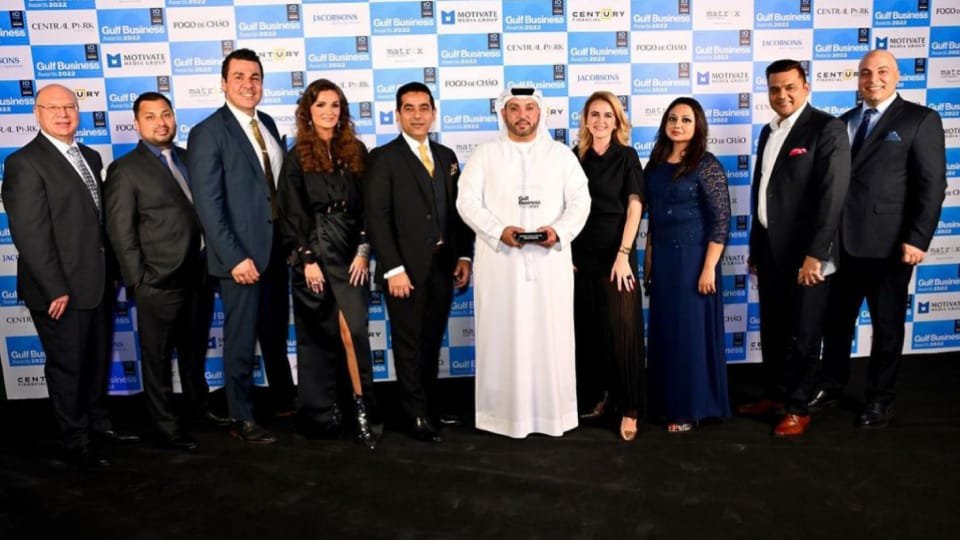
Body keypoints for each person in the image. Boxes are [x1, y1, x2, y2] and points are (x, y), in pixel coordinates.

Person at [2, 84, 139, 467]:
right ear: (37, 113)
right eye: (53, 108)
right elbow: (30, 233)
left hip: (96, 282)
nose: (63, 114)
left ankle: (98, 424)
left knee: (95, 361)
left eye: (69, 107)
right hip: (59, 290)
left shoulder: (90, 156)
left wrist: (113, 273)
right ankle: (74, 438)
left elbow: (97, 224)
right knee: (68, 366)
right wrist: (54, 288)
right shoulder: (24, 163)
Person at [815, 49, 946, 428]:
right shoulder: (843, 122)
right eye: (866, 72)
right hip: (841, 245)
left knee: (887, 327)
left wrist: (918, 238)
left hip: (889, 246)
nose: (873, 79)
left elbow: (932, 185)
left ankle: (879, 400)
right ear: (858, 78)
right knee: (836, 323)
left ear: (898, 76)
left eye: (882, 71)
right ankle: (832, 384)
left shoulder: (920, 119)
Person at [456, 87, 591, 438]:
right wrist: (497, 230)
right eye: (514, 108)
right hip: (501, 265)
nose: (522, 115)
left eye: (529, 108)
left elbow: (581, 201)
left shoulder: (561, 156)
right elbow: (466, 202)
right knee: (503, 337)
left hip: (549, 266)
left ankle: (553, 416)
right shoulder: (485, 155)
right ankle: (500, 417)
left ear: (539, 113)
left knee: (551, 338)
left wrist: (558, 232)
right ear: (503, 114)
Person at [104, 92, 230, 451]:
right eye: (150, 117)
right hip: (157, 281)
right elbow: (120, 231)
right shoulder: (125, 169)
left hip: (199, 275)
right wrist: (138, 280)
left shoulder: (190, 158)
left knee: (193, 351)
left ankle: (199, 408)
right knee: (157, 358)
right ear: (137, 124)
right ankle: (165, 425)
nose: (161, 122)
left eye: (166, 114)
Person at [187, 49, 294, 444]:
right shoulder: (208, 132)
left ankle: (281, 401)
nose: (248, 85)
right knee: (241, 339)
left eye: (255, 77)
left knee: (273, 332)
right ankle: (241, 417)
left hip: (274, 252)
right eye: (239, 77)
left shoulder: (266, 123)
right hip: (240, 258)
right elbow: (208, 205)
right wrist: (234, 257)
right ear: (223, 83)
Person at [740, 60, 851, 436]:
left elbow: (831, 197)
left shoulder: (827, 128)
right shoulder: (768, 131)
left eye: (790, 87)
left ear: (805, 87)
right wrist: (756, 247)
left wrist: (816, 254)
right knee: (773, 329)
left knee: (805, 332)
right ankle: (776, 395)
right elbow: (763, 192)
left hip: (808, 256)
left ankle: (798, 407)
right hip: (770, 251)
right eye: (774, 88)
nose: (782, 95)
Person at [365, 82, 474, 443]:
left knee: (431, 340)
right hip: (404, 272)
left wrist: (463, 254)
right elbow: (377, 218)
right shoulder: (383, 158)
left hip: (442, 266)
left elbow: (458, 212)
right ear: (397, 115)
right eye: (408, 108)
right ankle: (413, 414)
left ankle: (426, 406)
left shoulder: (446, 156)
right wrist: (393, 268)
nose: (417, 115)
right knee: (408, 344)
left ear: (433, 113)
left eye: (423, 108)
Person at [278, 79, 380, 449]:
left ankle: (363, 412)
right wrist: (306, 258)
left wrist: (364, 250)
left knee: (354, 333)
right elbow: (291, 212)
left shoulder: (357, 151)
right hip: (314, 254)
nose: (328, 112)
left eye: (335, 105)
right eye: (321, 105)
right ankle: (322, 416)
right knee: (318, 337)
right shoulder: (296, 157)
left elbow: (370, 206)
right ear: (308, 111)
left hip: (351, 251)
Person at [643, 97, 731, 432]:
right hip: (664, 260)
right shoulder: (654, 165)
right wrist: (649, 259)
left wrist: (709, 268)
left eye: (686, 120)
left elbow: (720, 221)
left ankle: (690, 409)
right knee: (666, 332)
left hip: (695, 261)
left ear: (698, 127)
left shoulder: (706, 164)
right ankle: (665, 404)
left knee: (690, 335)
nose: (677, 125)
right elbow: (653, 220)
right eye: (672, 118)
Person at [571, 91, 645, 441]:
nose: (601, 121)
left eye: (608, 115)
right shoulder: (574, 157)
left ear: (617, 121)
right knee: (591, 332)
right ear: (586, 120)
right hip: (581, 257)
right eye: (595, 114)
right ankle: (601, 398)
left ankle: (630, 410)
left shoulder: (627, 157)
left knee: (624, 333)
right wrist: (567, 254)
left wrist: (623, 253)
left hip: (618, 257)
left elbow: (635, 206)